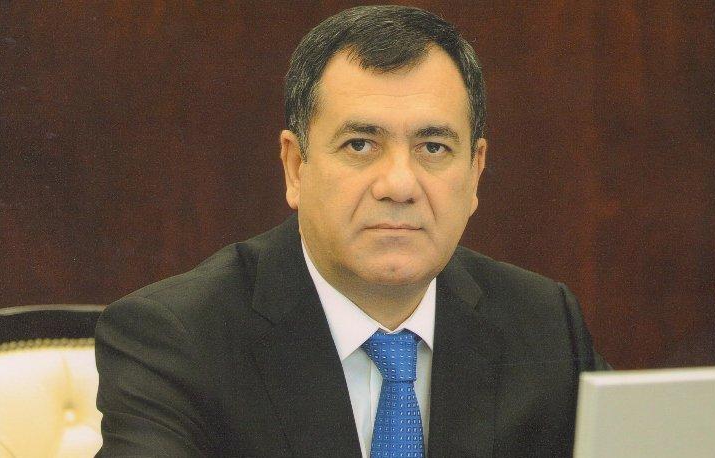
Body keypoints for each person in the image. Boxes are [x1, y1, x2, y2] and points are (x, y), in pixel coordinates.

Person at [95, 5, 609, 457]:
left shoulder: (544, 325)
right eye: (360, 145)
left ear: (475, 172)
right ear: (295, 167)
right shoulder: (178, 340)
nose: (399, 185)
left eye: (433, 148)